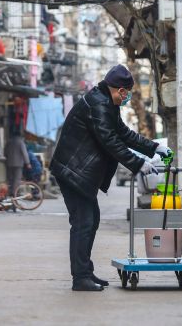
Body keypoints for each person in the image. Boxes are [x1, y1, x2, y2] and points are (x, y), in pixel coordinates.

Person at [50, 64, 172, 292]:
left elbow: (123, 133)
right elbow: (110, 141)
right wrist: (139, 164)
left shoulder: (106, 103)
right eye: (126, 94)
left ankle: (85, 273)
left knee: (90, 220)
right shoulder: (99, 104)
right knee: (84, 223)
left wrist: (153, 147)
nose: (126, 98)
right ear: (119, 90)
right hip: (72, 172)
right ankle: (80, 278)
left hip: (78, 173)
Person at [5, 129, 31, 197]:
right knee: (17, 179)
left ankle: (9, 192)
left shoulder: (9, 142)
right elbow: (24, 153)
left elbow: (5, 152)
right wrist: (28, 163)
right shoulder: (21, 142)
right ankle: (14, 193)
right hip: (18, 164)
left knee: (10, 179)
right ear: (20, 136)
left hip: (9, 163)